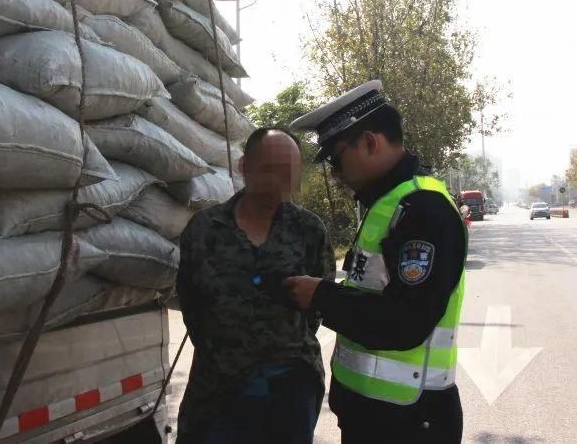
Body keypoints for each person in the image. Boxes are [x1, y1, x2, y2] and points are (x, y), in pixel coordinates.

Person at [282, 81, 468, 443]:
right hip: (376, 417)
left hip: (409, 422)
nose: (335, 173)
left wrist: (321, 296)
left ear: (369, 142)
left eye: (336, 159)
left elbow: (405, 322)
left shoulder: (422, 210)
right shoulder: (388, 204)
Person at [175, 127, 335, 444]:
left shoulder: (308, 230)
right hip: (219, 391)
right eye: (268, 169)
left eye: (287, 172)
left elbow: (318, 304)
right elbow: (191, 304)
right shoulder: (205, 230)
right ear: (243, 166)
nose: (277, 182)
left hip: (291, 390)